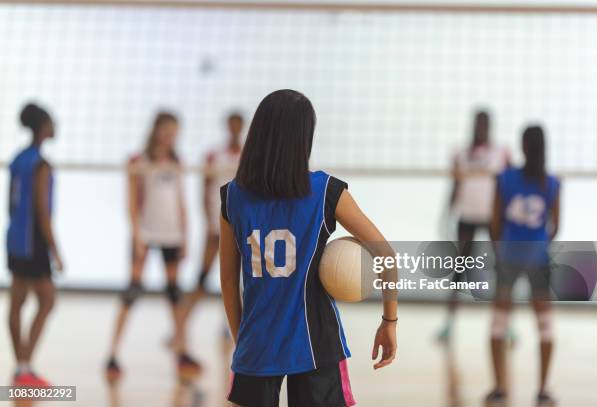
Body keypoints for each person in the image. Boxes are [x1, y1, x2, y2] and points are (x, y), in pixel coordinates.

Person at [220, 89, 398, 407]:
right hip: (316, 343)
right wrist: (389, 321)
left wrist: (242, 342)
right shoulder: (325, 191)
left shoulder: (232, 197)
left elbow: (229, 281)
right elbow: (385, 254)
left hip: (256, 344)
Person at [105, 112, 200, 382]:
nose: (171, 136)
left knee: (173, 293)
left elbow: (181, 201)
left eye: (175, 132)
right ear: (156, 130)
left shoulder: (176, 162)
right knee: (132, 290)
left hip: (171, 234)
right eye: (167, 130)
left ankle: (182, 351)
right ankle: (113, 354)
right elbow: (131, 202)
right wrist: (136, 237)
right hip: (145, 234)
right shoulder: (138, 161)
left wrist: (185, 236)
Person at [485, 126, 560, 406]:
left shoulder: (504, 179)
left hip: (509, 256)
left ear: (524, 145)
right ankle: (543, 390)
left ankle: (499, 388)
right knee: (545, 326)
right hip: (538, 257)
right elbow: (555, 225)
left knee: (498, 324)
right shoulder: (552, 183)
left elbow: (494, 222)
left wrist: (501, 249)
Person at [173, 113, 244, 355]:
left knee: (239, 280)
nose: (234, 129)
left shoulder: (249, 155)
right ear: (227, 126)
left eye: (238, 125)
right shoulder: (214, 155)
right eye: (231, 124)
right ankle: (180, 327)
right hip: (217, 226)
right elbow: (204, 191)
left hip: (242, 227)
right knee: (202, 277)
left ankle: (230, 328)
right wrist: (208, 221)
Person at [437, 111, 510, 342]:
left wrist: (508, 216)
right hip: (466, 216)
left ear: (490, 127)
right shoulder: (461, 154)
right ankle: (449, 324)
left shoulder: (501, 153)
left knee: (503, 268)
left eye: (485, 124)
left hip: (493, 217)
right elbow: (455, 185)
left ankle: (506, 324)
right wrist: (446, 215)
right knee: (459, 269)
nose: (481, 128)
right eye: (478, 124)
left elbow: (509, 185)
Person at [7, 103, 63, 386]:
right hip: (33, 242)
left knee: (17, 302)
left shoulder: (18, 159)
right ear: (42, 127)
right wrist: (56, 251)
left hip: (15, 238)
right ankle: (25, 364)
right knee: (47, 300)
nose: (56, 126)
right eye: (52, 121)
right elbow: (43, 212)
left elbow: (10, 205)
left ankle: (22, 369)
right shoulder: (41, 164)